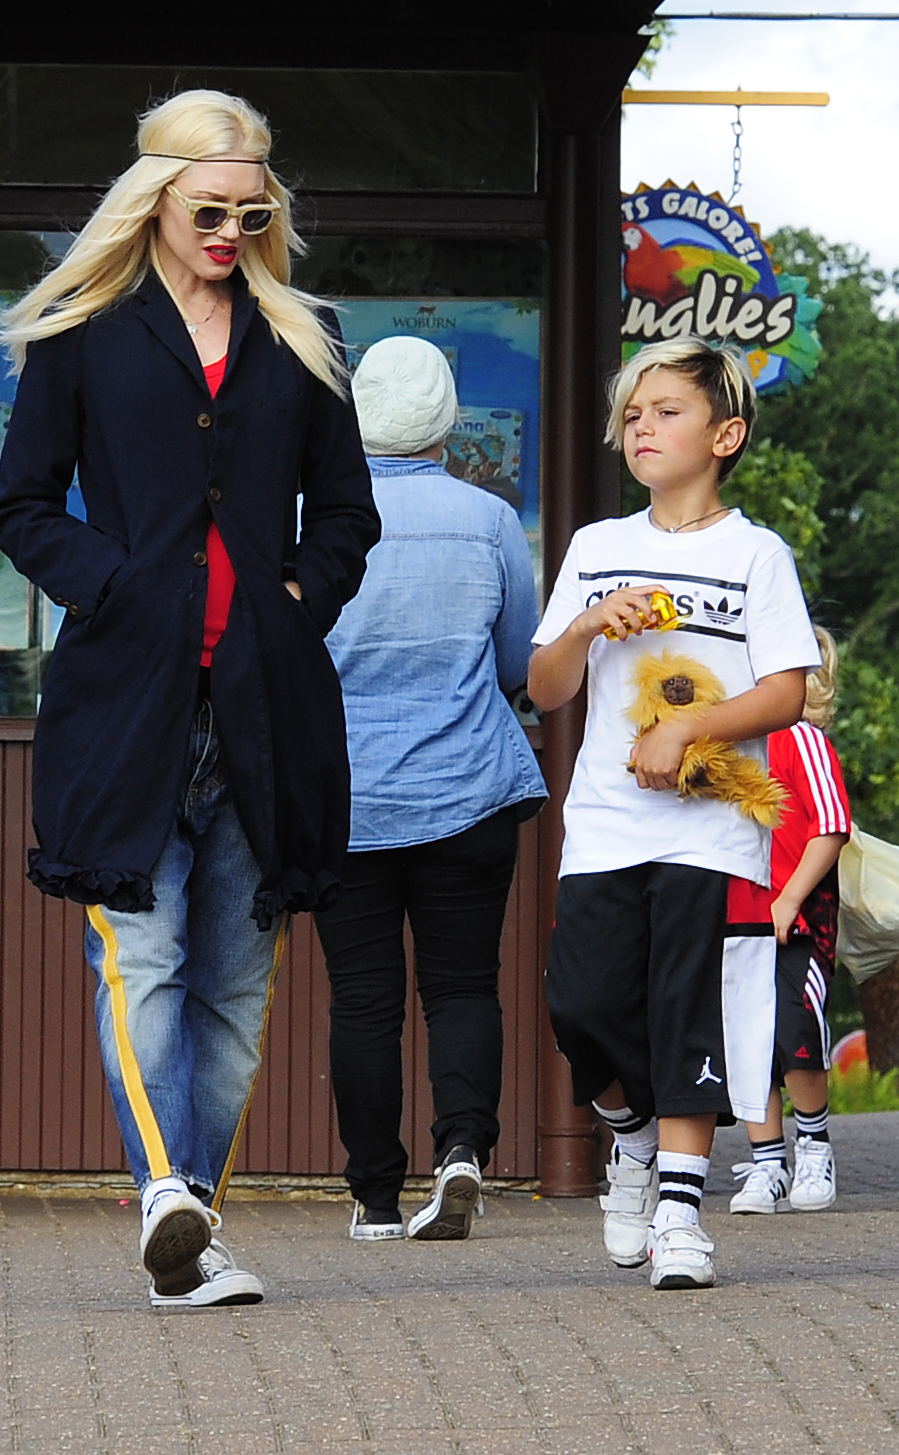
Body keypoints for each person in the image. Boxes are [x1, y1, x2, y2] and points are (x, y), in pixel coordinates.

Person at [0, 88, 379, 1308]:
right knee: (140, 959)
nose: (229, 228)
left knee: (233, 986)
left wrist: (295, 597)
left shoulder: (304, 334)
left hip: (267, 707)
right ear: (152, 199)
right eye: (208, 208)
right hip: (125, 704)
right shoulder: (84, 331)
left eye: (251, 209)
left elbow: (349, 514)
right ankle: (167, 1194)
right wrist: (113, 586)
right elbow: (20, 505)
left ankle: (189, 1234)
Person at [527, 338, 818, 1293]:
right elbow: (546, 684)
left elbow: (785, 690)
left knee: (686, 1009)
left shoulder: (756, 555)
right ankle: (630, 1137)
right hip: (605, 824)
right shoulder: (597, 547)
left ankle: (684, 1215)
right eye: (633, 414)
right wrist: (582, 624)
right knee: (583, 1007)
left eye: (666, 411)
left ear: (725, 433)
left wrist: (691, 725)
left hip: (713, 826)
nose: (641, 427)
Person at [318, 336, 547, 1243]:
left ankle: (374, 1198)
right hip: (468, 790)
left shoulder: (312, 516)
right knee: (462, 988)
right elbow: (517, 662)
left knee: (363, 1000)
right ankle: (463, 1153)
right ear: (446, 421)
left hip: (349, 800)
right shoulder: (488, 522)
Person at [722, 629, 854, 1217]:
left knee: (796, 1026)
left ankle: (814, 1145)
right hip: (736, 914)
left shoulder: (803, 741)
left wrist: (790, 898)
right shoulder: (728, 748)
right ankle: (767, 1161)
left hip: (796, 920)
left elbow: (830, 826)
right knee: (747, 1037)